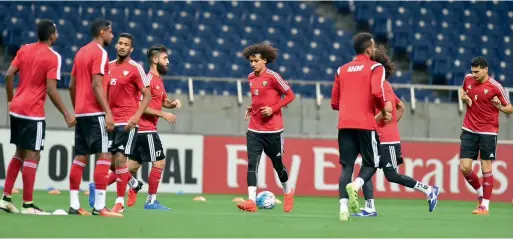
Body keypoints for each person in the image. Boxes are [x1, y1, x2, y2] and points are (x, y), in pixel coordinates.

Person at [350, 46, 440, 217]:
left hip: (386, 140)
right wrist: (386, 123)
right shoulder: (380, 85)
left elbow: (390, 108)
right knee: (366, 169)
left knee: (391, 175)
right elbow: (401, 106)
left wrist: (381, 124)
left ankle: (429, 190)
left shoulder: (382, 86)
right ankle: (369, 208)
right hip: (376, 136)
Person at [0, 19, 75, 214]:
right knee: (33, 154)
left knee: (19, 152)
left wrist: (10, 100)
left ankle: (6, 198)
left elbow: (8, 75)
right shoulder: (53, 57)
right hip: (33, 112)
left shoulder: (24, 49)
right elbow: (51, 89)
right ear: (52, 36)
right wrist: (67, 113)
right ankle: (27, 205)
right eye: (56, 32)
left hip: (16, 108)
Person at [330, 32, 393, 222]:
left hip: (344, 125)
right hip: (366, 124)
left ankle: (343, 209)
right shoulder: (376, 67)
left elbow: (334, 103)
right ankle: (356, 185)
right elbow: (376, 91)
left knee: (346, 167)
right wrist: (383, 109)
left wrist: (350, 104)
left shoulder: (342, 70)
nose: (375, 50)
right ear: (368, 49)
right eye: (373, 47)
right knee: (372, 163)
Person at [87, 33, 152, 214]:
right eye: (120, 43)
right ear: (116, 46)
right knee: (110, 163)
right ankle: (133, 183)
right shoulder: (106, 67)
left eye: (126, 45)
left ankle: (119, 202)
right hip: (109, 121)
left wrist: (137, 116)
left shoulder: (135, 68)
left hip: (128, 122)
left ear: (131, 49)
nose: (122, 46)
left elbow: (147, 94)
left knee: (121, 160)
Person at [67, 18, 121, 217]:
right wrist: (107, 111)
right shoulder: (100, 53)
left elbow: (72, 85)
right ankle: (99, 206)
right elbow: (97, 85)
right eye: (111, 32)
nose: (112, 36)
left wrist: (77, 109)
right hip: (96, 112)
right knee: (105, 155)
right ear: (102, 32)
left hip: (82, 113)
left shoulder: (81, 52)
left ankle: (74, 205)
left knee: (80, 157)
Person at [237, 42, 296, 213]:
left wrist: (273, 109)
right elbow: (259, 98)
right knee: (252, 164)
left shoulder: (273, 77)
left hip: (273, 131)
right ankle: (250, 201)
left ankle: (288, 191)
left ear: (265, 61)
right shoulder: (250, 78)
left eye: (256, 61)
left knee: (278, 165)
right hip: (254, 130)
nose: (253, 64)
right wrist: (252, 107)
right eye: (251, 61)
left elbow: (290, 95)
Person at [124, 44, 181, 210]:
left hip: (143, 130)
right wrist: (164, 114)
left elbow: (162, 101)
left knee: (130, 167)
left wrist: (172, 103)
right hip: (145, 128)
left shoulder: (158, 80)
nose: (168, 61)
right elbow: (141, 106)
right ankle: (150, 201)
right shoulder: (147, 80)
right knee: (160, 162)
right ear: (155, 60)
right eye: (165, 58)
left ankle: (101, 183)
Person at [459, 56, 513, 215]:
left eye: (477, 72)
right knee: (465, 167)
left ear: (485, 69)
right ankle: (480, 193)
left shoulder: (496, 87)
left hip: (488, 132)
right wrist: (463, 97)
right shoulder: (468, 79)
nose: (474, 75)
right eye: (472, 71)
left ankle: (485, 206)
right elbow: (463, 90)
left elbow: (510, 108)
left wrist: (500, 107)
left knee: (486, 167)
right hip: (468, 129)